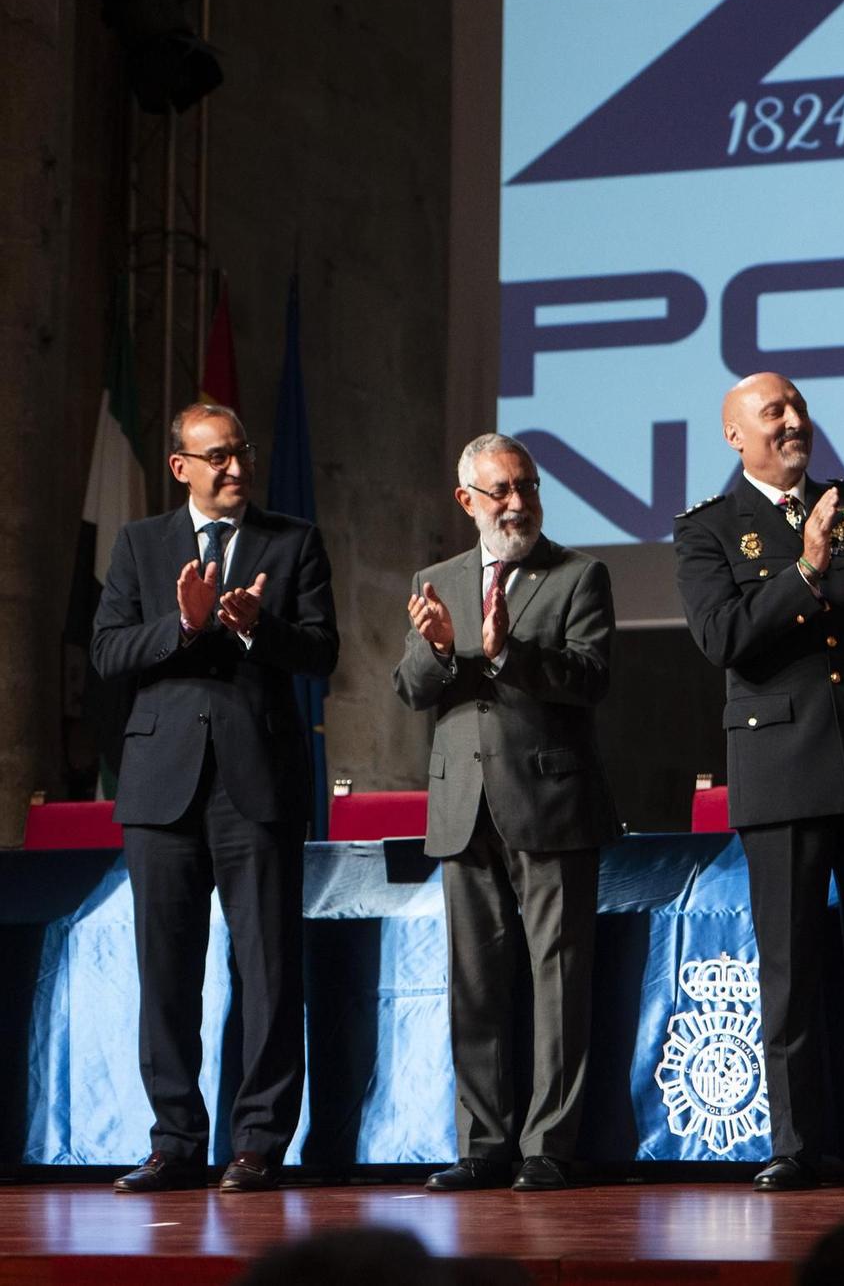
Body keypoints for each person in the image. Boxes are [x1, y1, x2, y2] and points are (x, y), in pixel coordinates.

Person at [675, 372, 844, 1192]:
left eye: (797, 407)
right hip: (782, 770)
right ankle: (795, 1143)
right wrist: (808, 568)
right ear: (736, 435)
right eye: (773, 412)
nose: (794, 421)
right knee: (789, 968)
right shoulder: (708, 529)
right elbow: (724, 636)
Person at [91, 402, 339, 1193]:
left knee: (269, 969)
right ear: (181, 467)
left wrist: (254, 628)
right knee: (166, 972)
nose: (237, 469)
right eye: (219, 457)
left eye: (243, 454)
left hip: (257, 785)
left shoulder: (292, 540)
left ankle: (258, 1140)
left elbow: (322, 650)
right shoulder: (138, 543)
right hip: (160, 787)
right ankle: (175, 1140)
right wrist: (185, 624)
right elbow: (107, 651)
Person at [394, 434, 618, 1192]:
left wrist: (504, 652)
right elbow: (412, 687)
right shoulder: (436, 579)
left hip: (552, 802)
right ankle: (483, 1142)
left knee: (558, 978)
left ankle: (549, 1144)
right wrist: (439, 649)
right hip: (463, 806)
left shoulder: (579, 574)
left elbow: (590, 677)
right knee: (475, 981)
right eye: (501, 491)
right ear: (468, 501)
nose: (518, 503)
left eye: (527, 486)